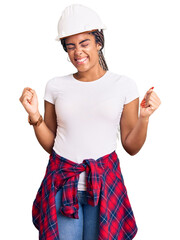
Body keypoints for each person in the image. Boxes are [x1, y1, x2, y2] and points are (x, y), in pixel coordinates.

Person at [19, 4, 161, 240]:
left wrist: (144, 117)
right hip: (62, 183)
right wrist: (35, 116)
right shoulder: (55, 86)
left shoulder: (123, 86)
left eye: (84, 43)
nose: (78, 53)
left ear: (99, 42)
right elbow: (51, 143)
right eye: (71, 46)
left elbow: (131, 147)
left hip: (105, 184)